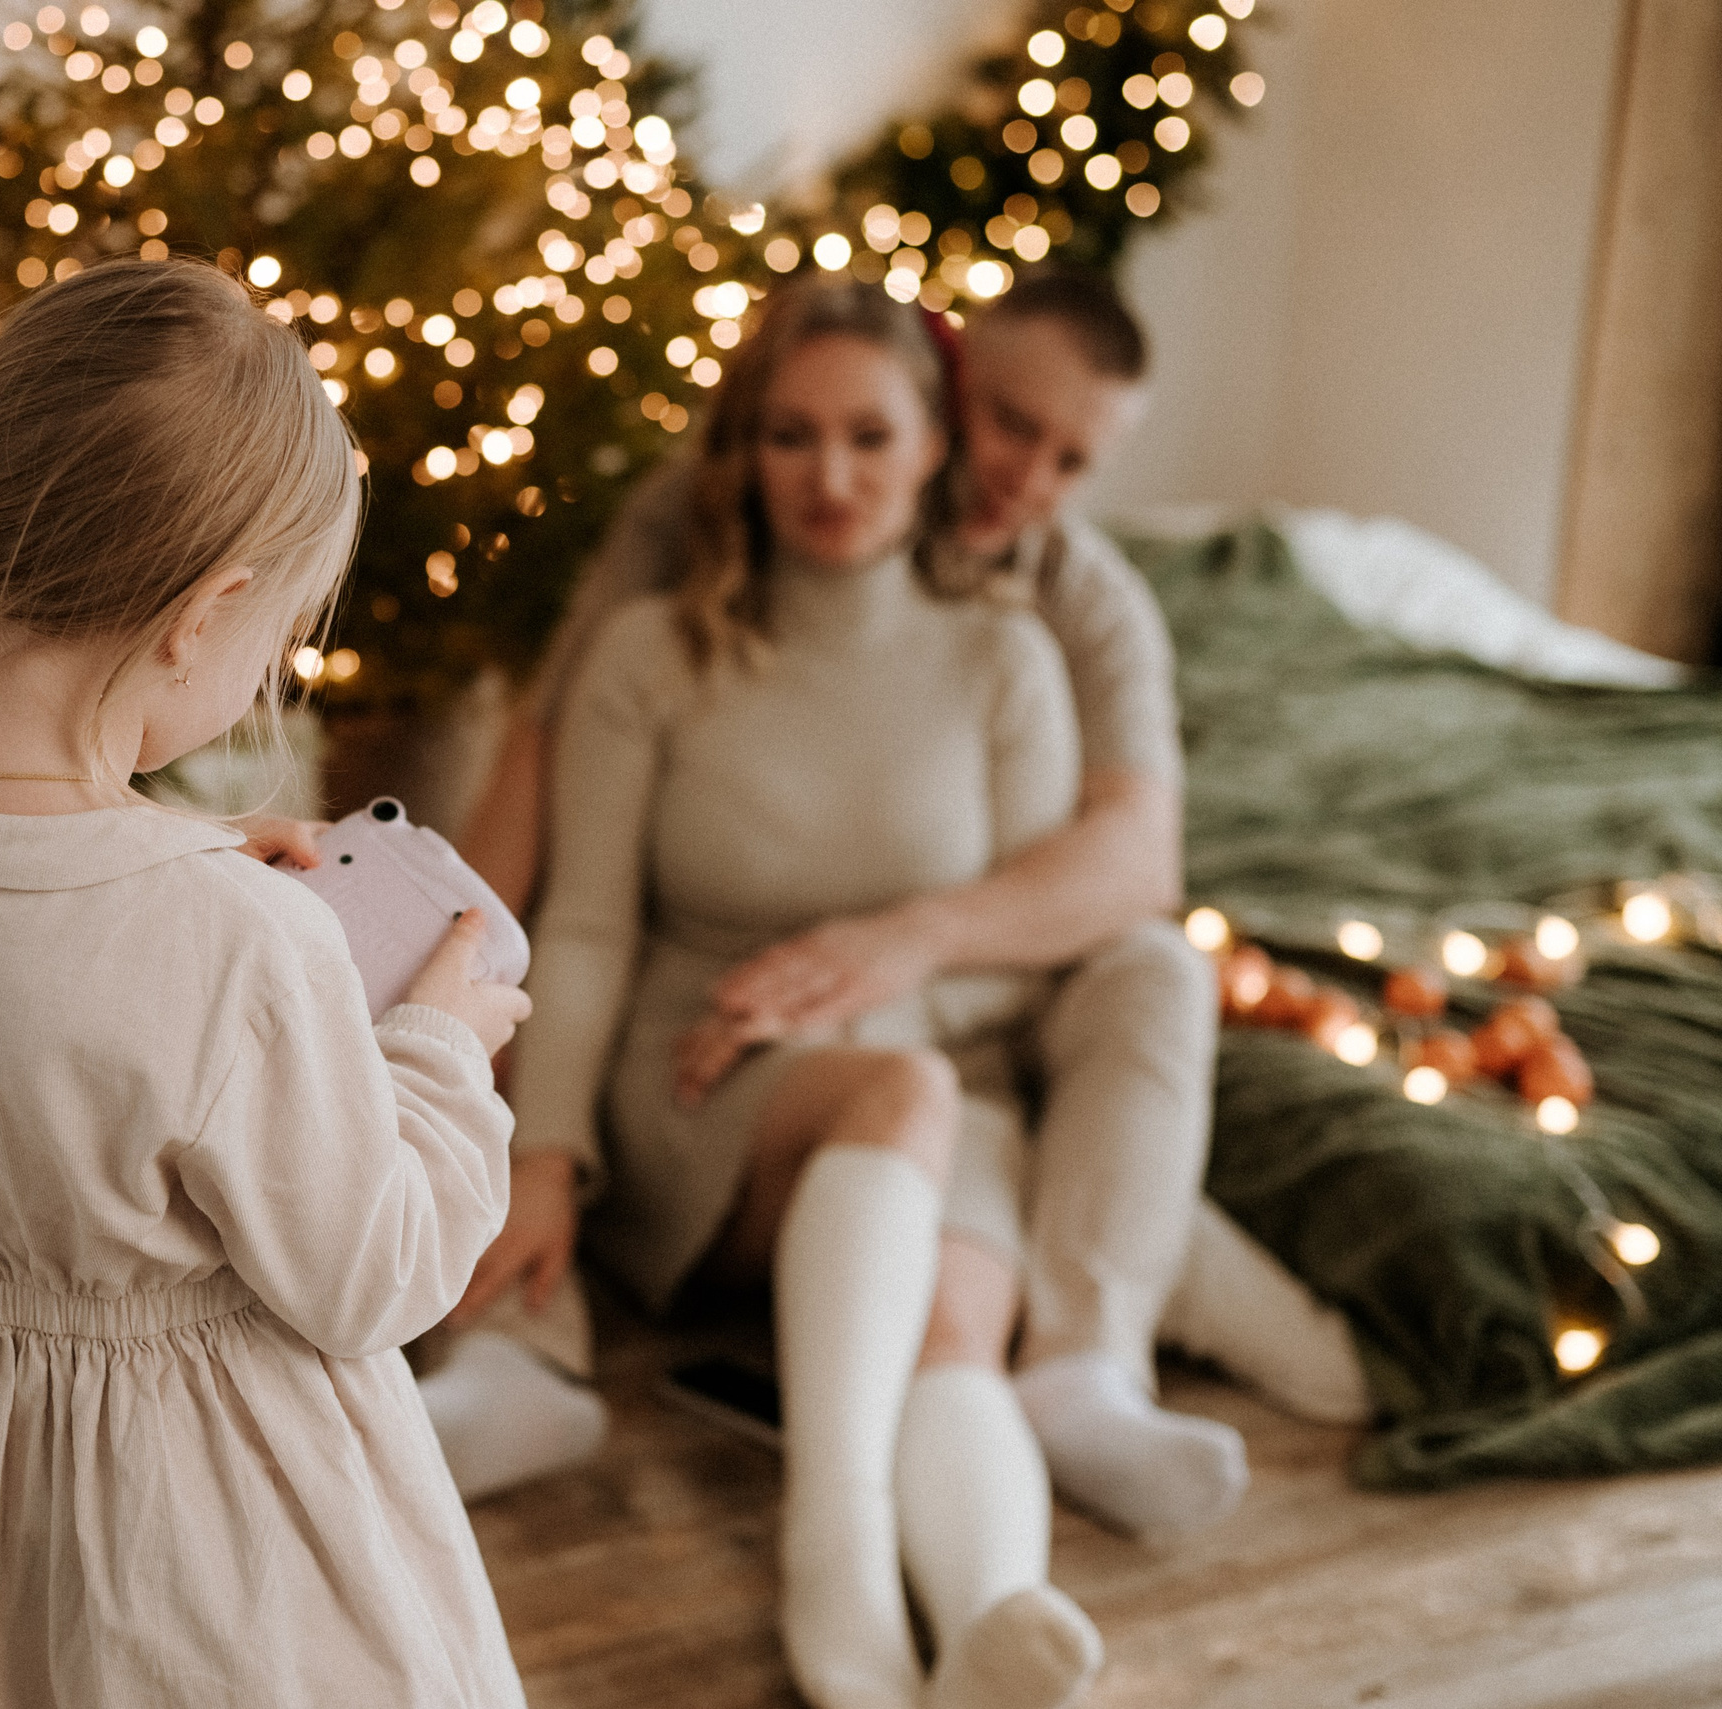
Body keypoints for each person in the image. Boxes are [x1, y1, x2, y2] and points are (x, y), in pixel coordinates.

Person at [0, 260, 533, 1709]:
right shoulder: (241, 945)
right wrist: (440, 1045)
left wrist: (187, 855)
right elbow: (372, 1275)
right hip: (218, 1536)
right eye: (277, 637)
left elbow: (13, 966)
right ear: (203, 612)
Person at [427, 271, 1251, 1542]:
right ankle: (515, 1341)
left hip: (952, 998)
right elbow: (543, 753)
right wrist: (458, 966)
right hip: (711, 1032)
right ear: (954, 390)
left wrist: (893, 953)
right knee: (494, 964)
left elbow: (1137, 862)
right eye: (1011, 424)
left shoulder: (1063, 610)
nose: (1026, 477)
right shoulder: (690, 543)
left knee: (1155, 968)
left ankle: (1084, 1369)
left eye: (1071, 459)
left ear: (918, 436)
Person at [514, 276, 1107, 1708]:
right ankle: (830, 1556)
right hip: (699, 1076)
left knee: (956, 1319)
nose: (829, 477)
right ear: (742, 452)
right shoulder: (653, 651)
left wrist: (855, 992)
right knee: (901, 1096)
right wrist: (541, 1153)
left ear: (933, 448)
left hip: (932, 1067)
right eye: (790, 435)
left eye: (868, 436)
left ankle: (994, 1624)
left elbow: (1020, 954)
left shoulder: (1006, 659)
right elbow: (581, 927)